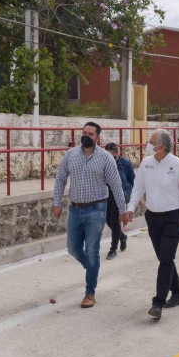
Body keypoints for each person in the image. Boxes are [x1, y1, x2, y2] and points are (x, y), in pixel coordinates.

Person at [53, 122, 129, 308]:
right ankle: (92, 268)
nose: (86, 135)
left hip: (96, 210)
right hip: (75, 209)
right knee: (72, 248)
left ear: (97, 138)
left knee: (92, 251)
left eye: (90, 133)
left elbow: (116, 185)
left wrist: (122, 211)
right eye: (84, 132)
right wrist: (57, 203)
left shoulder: (105, 158)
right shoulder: (71, 155)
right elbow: (61, 178)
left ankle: (90, 293)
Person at [125, 129, 179, 321]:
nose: (147, 146)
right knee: (164, 258)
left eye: (151, 143)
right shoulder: (146, 163)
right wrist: (131, 207)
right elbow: (138, 187)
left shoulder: (178, 165)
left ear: (162, 147)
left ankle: (158, 303)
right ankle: (178, 292)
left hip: (173, 218)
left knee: (165, 259)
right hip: (153, 218)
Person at [103, 142, 135, 260]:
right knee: (108, 221)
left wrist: (135, 199)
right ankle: (122, 237)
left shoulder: (125, 164)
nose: (111, 158)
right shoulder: (104, 163)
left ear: (117, 153)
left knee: (115, 222)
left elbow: (133, 181)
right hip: (107, 195)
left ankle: (113, 249)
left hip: (121, 195)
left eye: (113, 155)